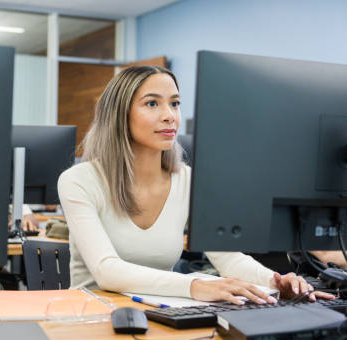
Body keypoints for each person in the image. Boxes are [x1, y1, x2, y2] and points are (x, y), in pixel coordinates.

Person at [57, 66, 334, 304]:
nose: (170, 116)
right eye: (152, 103)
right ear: (119, 114)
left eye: (175, 103)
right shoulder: (79, 181)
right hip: (92, 315)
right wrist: (194, 286)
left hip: (157, 315)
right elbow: (107, 271)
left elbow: (229, 259)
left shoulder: (187, 180)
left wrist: (274, 281)